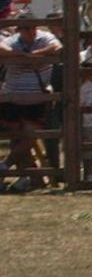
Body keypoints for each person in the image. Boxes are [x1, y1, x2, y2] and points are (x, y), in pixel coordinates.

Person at [0, 24, 62, 192]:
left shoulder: (45, 37)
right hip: (13, 96)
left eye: (33, 28)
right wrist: (22, 56)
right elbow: (1, 49)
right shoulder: (12, 40)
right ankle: (32, 179)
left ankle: (5, 165)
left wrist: (36, 54)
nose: (31, 32)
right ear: (20, 30)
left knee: (29, 136)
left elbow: (57, 47)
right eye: (27, 29)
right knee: (17, 139)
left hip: (36, 97)